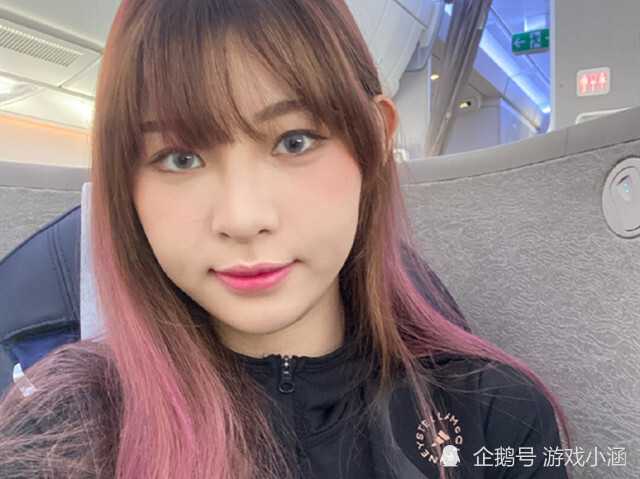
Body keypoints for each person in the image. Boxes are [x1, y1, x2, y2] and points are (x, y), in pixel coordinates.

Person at [0, 1, 570, 478]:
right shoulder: (59, 432)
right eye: (180, 157)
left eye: (294, 141)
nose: (243, 218)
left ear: (374, 141)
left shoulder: (495, 415)